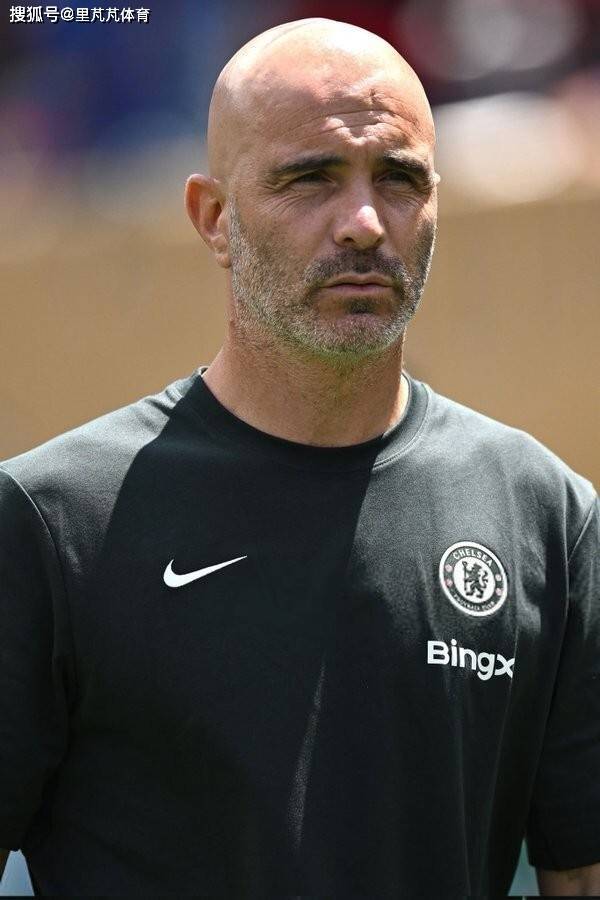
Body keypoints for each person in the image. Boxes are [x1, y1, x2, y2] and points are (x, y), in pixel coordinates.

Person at [0, 17, 599, 897]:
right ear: (214, 219)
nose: (363, 223)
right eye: (310, 178)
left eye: (399, 179)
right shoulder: (51, 521)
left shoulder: (548, 519)